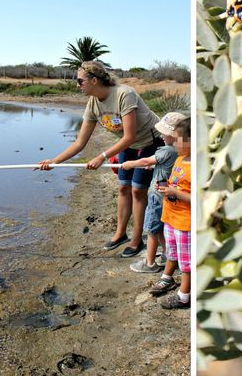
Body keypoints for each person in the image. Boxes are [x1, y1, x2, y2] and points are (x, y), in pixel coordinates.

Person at [38, 60, 162, 257]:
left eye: (80, 81)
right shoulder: (93, 104)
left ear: (94, 80)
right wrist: (54, 161)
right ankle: (120, 234)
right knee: (123, 187)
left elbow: (130, 135)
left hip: (150, 142)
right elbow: (80, 142)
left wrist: (102, 157)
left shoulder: (124, 94)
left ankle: (136, 240)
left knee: (138, 190)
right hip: (128, 145)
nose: (77, 85)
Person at [121, 112, 185, 273]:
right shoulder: (179, 151)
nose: (161, 135)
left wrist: (130, 164)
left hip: (157, 198)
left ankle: (149, 263)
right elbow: (163, 165)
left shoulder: (167, 151)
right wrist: (154, 166)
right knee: (161, 229)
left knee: (151, 230)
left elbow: (145, 161)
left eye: (165, 133)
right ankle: (167, 254)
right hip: (168, 198)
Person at [148, 118, 191, 309]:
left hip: (185, 222)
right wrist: (166, 187)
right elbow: (176, 183)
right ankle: (167, 278)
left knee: (187, 261)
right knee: (172, 253)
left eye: (179, 139)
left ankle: (184, 295)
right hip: (171, 217)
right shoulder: (180, 160)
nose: (175, 143)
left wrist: (175, 193)